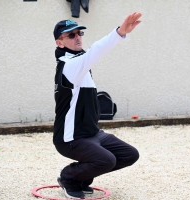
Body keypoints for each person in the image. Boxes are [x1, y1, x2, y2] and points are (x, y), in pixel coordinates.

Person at [52, 12, 142, 199]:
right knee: (106, 160)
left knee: (129, 154)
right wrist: (119, 33)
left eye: (79, 33)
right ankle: (69, 177)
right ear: (59, 43)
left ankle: (80, 179)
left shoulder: (80, 64)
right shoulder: (69, 66)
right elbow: (96, 50)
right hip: (71, 138)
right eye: (71, 35)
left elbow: (89, 56)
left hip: (92, 134)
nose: (77, 37)